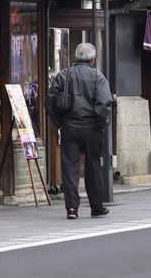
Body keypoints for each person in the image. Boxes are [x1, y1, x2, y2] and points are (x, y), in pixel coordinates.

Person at [44, 42, 113, 220]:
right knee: (93, 166)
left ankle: (72, 208)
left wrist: (59, 122)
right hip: (92, 128)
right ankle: (96, 207)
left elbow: (50, 100)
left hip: (69, 128)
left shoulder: (63, 75)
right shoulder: (98, 77)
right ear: (93, 59)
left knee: (70, 167)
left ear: (75, 57)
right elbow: (104, 103)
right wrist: (101, 124)